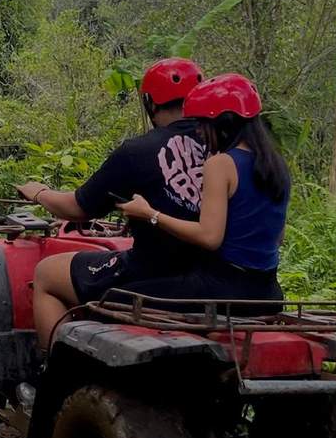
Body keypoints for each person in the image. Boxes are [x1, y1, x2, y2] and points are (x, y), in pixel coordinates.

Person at [15, 58, 208, 352]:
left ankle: (58, 375)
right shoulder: (228, 149)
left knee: (46, 273)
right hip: (214, 278)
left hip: (150, 275)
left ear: (151, 104)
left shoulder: (137, 151)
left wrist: (39, 192)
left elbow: (77, 207)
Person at [115, 73, 290, 312]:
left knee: (115, 297)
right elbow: (278, 237)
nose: (198, 132)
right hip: (268, 292)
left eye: (202, 124)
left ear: (222, 124)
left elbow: (209, 237)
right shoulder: (277, 165)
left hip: (222, 290)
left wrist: (150, 214)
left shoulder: (221, 164)